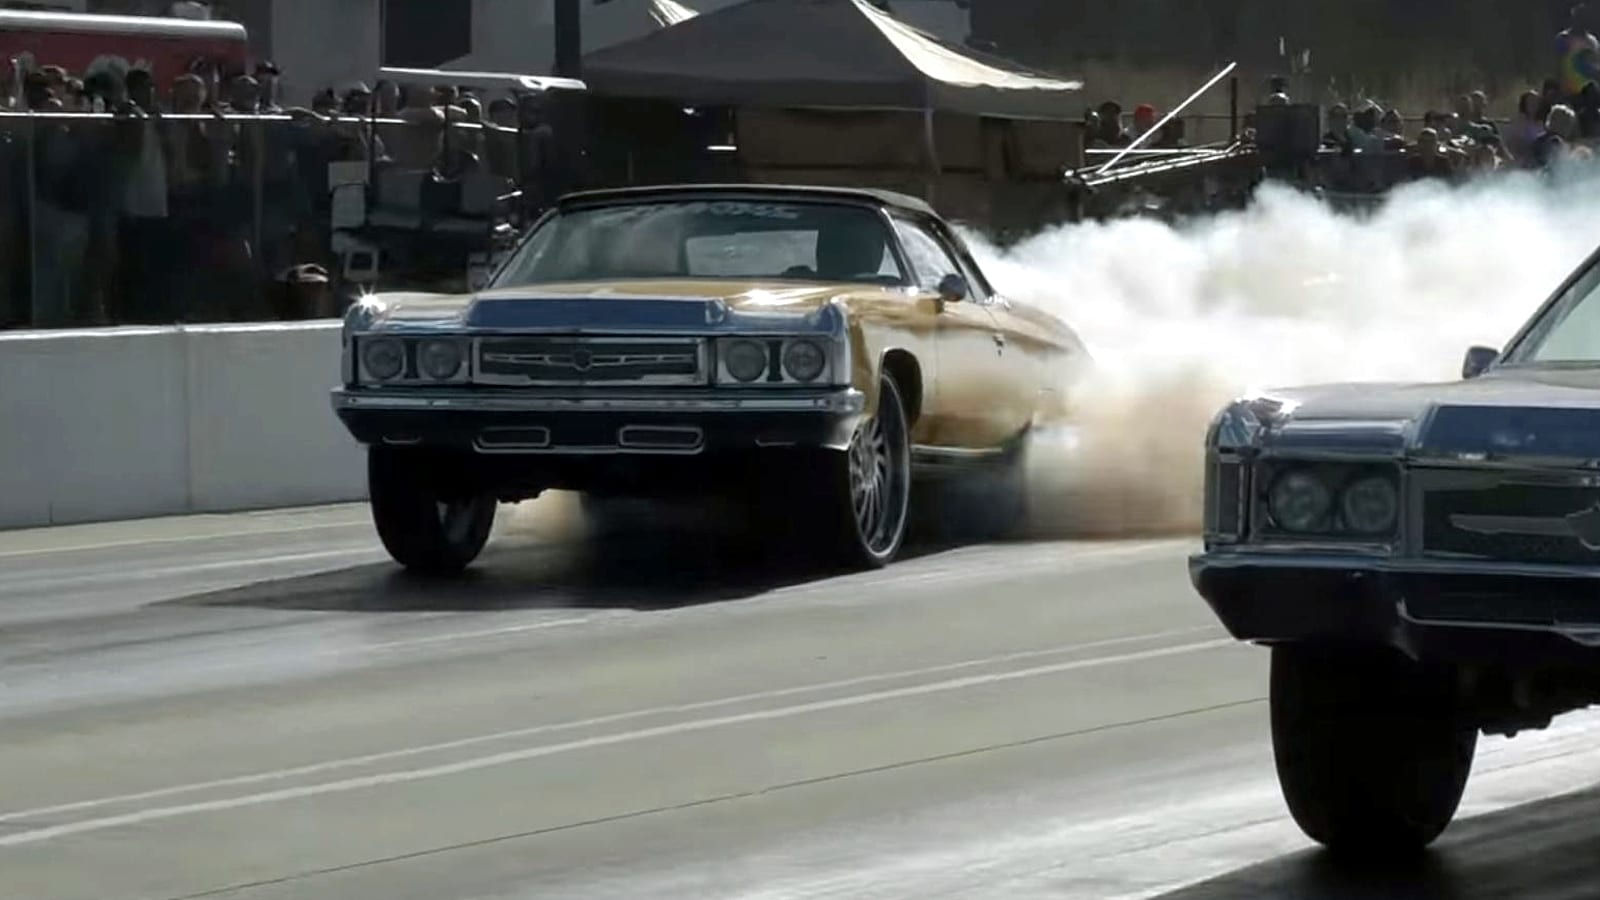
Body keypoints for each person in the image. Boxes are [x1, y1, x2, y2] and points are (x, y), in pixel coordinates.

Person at [1558, 4, 1600, 102]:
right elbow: (1558, 63)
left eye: (1584, 19)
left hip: (1591, 91)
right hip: (1570, 90)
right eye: (1578, 18)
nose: (1581, 22)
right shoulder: (1564, 38)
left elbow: (1596, 63)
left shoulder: (1592, 41)